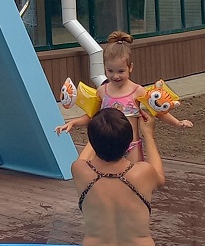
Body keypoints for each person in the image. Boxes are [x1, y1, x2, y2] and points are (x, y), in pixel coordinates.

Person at [56, 31, 192, 162]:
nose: (115, 76)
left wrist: (177, 123)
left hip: (131, 145)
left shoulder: (137, 91)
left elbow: (157, 111)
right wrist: (73, 123)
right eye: (110, 71)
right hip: (106, 144)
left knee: (133, 174)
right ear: (104, 68)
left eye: (121, 71)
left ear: (130, 67)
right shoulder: (102, 91)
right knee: (99, 172)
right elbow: (92, 115)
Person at [74, 107, 165, 246]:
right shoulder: (143, 172)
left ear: (92, 141)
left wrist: (98, 130)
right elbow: (160, 177)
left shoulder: (79, 170)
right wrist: (148, 135)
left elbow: (85, 158)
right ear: (129, 142)